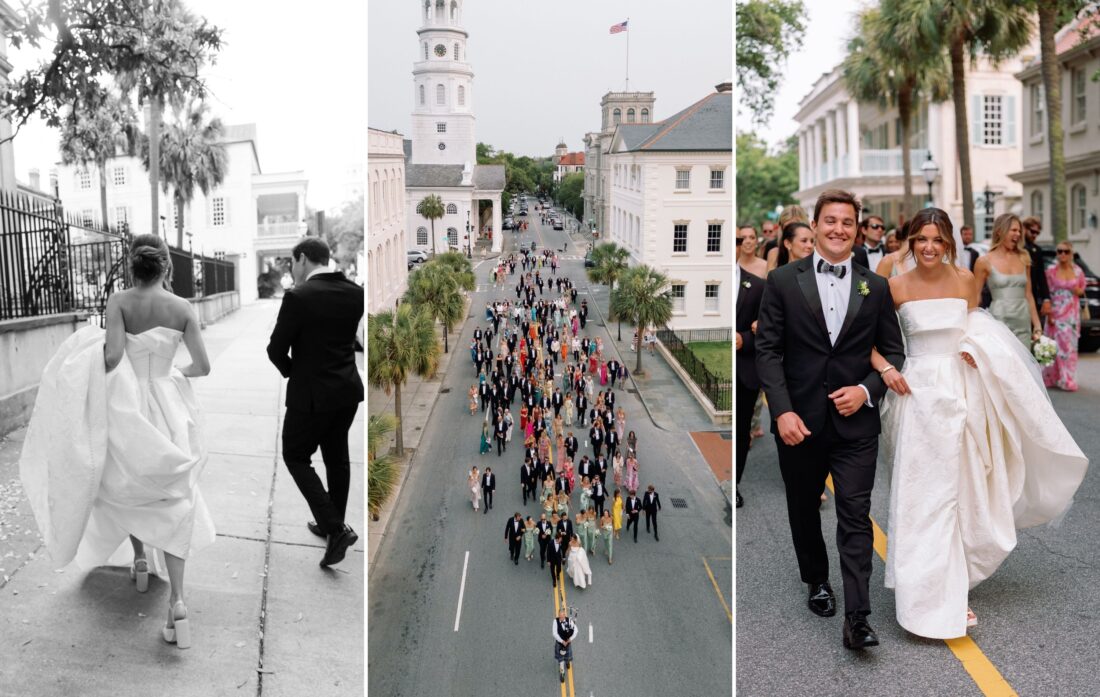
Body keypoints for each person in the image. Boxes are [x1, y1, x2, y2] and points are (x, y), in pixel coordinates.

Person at [874, 207, 1088, 639]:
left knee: (960, 489)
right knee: (922, 493)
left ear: (949, 242)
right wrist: (884, 369)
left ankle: (953, 586)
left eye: (937, 239)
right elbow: (868, 341)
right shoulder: (892, 286)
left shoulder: (965, 280)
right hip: (914, 395)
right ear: (911, 243)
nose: (929, 247)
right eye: (921, 239)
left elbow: (976, 327)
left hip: (962, 390)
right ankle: (919, 588)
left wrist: (975, 349)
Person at [20, 234, 215, 650]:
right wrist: (173, 375)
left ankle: (141, 560)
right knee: (173, 498)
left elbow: (110, 358)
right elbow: (203, 365)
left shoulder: (119, 302)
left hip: (129, 409)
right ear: (165, 265)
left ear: (133, 266)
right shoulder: (183, 309)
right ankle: (179, 602)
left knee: (126, 487)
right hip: (167, 408)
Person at [755, 189, 906, 651]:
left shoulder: (875, 287)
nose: (839, 229)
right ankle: (816, 580)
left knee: (855, 516)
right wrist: (781, 411)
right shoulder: (782, 280)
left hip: (856, 426)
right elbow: (768, 351)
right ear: (815, 225)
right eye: (830, 220)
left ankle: (858, 617)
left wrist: (865, 390)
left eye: (847, 222)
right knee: (803, 508)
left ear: (857, 229)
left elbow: (894, 351)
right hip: (799, 423)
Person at [267, 237, 363, 568]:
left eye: (293, 263)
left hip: (311, 396)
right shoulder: (355, 293)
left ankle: (335, 528)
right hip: (347, 391)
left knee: (295, 455)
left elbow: (275, 350)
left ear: (304, 258)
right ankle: (329, 525)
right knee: (337, 459)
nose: (292, 270)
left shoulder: (298, 296)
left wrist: (296, 373)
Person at [973, 213, 1043, 347]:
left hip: (1023, 322)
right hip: (999, 322)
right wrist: (973, 328)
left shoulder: (1024, 257)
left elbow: (1028, 295)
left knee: (1023, 366)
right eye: (1014, 230)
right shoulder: (984, 261)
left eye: (1019, 231)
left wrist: (1037, 325)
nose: (1018, 234)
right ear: (1000, 231)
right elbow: (976, 297)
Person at [736, 256, 765, 509]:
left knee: (741, 431)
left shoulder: (756, 285)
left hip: (745, 371)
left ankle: (734, 483)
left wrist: (745, 339)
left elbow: (767, 331)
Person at [1043, 241, 1086, 391]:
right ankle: (1051, 377)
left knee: (1069, 347)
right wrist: (1048, 313)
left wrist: (1078, 291)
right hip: (1055, 312)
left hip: (1072, 315)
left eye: (1066, 251)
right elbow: (1046, 294)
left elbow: (1082, 288)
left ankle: (1067, 378)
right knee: (1053, 346)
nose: (1062, 254)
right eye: (1060, 251)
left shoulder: (1078, 271)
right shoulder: (1051, 271)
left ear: (1071, 254)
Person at [553, 607, 577, 683]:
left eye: (562, 616)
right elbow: (554, 633)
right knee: (561, 660)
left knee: (567, 656)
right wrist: (562, 641)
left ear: (565, 615)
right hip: (560, 644)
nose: (561, 618)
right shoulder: (555, 621)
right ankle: (562, 673)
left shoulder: (569, 621)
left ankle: (567, 662)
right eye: (560, 616)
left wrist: (570, 639)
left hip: (568, 643)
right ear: (558, 615)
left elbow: (576, 631)